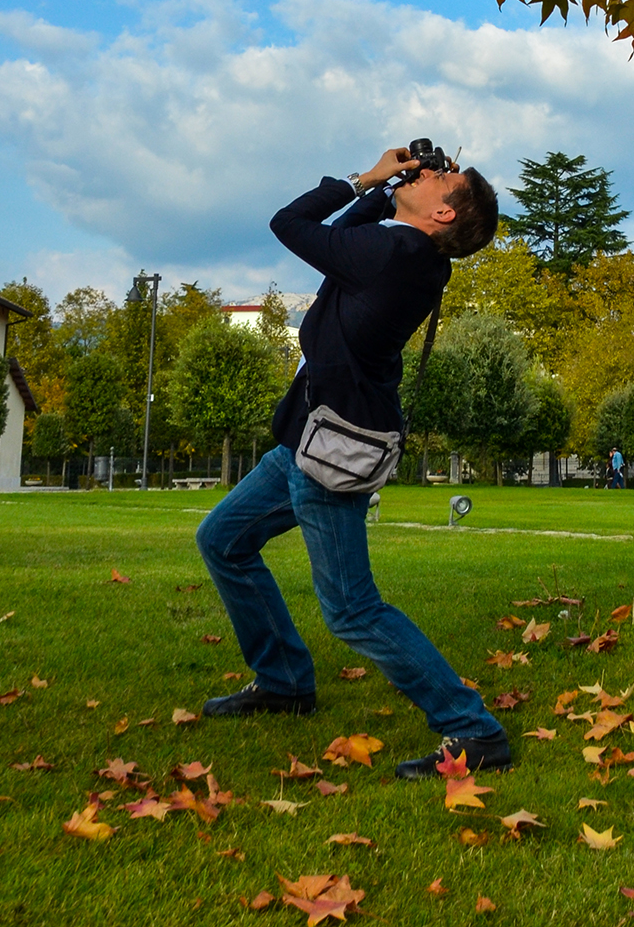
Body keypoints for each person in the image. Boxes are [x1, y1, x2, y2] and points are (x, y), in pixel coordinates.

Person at [195, 146, 507, 780]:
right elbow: (338, 237)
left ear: (443, 210)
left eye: (441, 175)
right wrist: (387, 185)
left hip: (330, 454)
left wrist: (369, 177)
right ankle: (283, 682)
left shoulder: (399, 255)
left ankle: (474, 730)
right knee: (224, 540)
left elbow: (294, 225)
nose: (428, 172)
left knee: (352, 609)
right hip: (304, 439)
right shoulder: (401, 250)